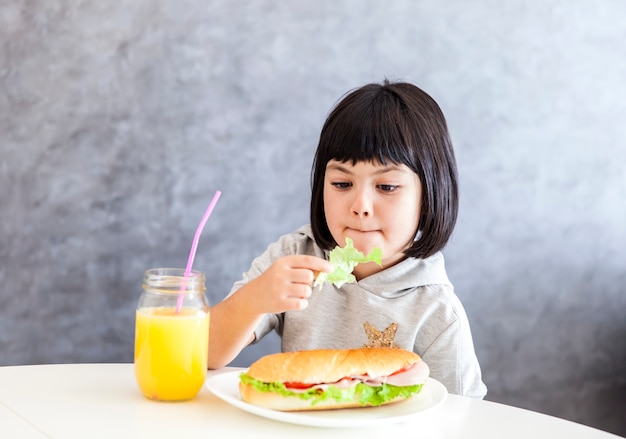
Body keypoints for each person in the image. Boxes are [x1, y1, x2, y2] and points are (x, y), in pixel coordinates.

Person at [207, 79, 487, 398]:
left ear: (429, 196)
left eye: (386, 187)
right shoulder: (296, 255)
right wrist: (255, 298)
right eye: (342, 184)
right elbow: (205, 352)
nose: (360, 207)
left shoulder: (436, 310)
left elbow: (464, 417)